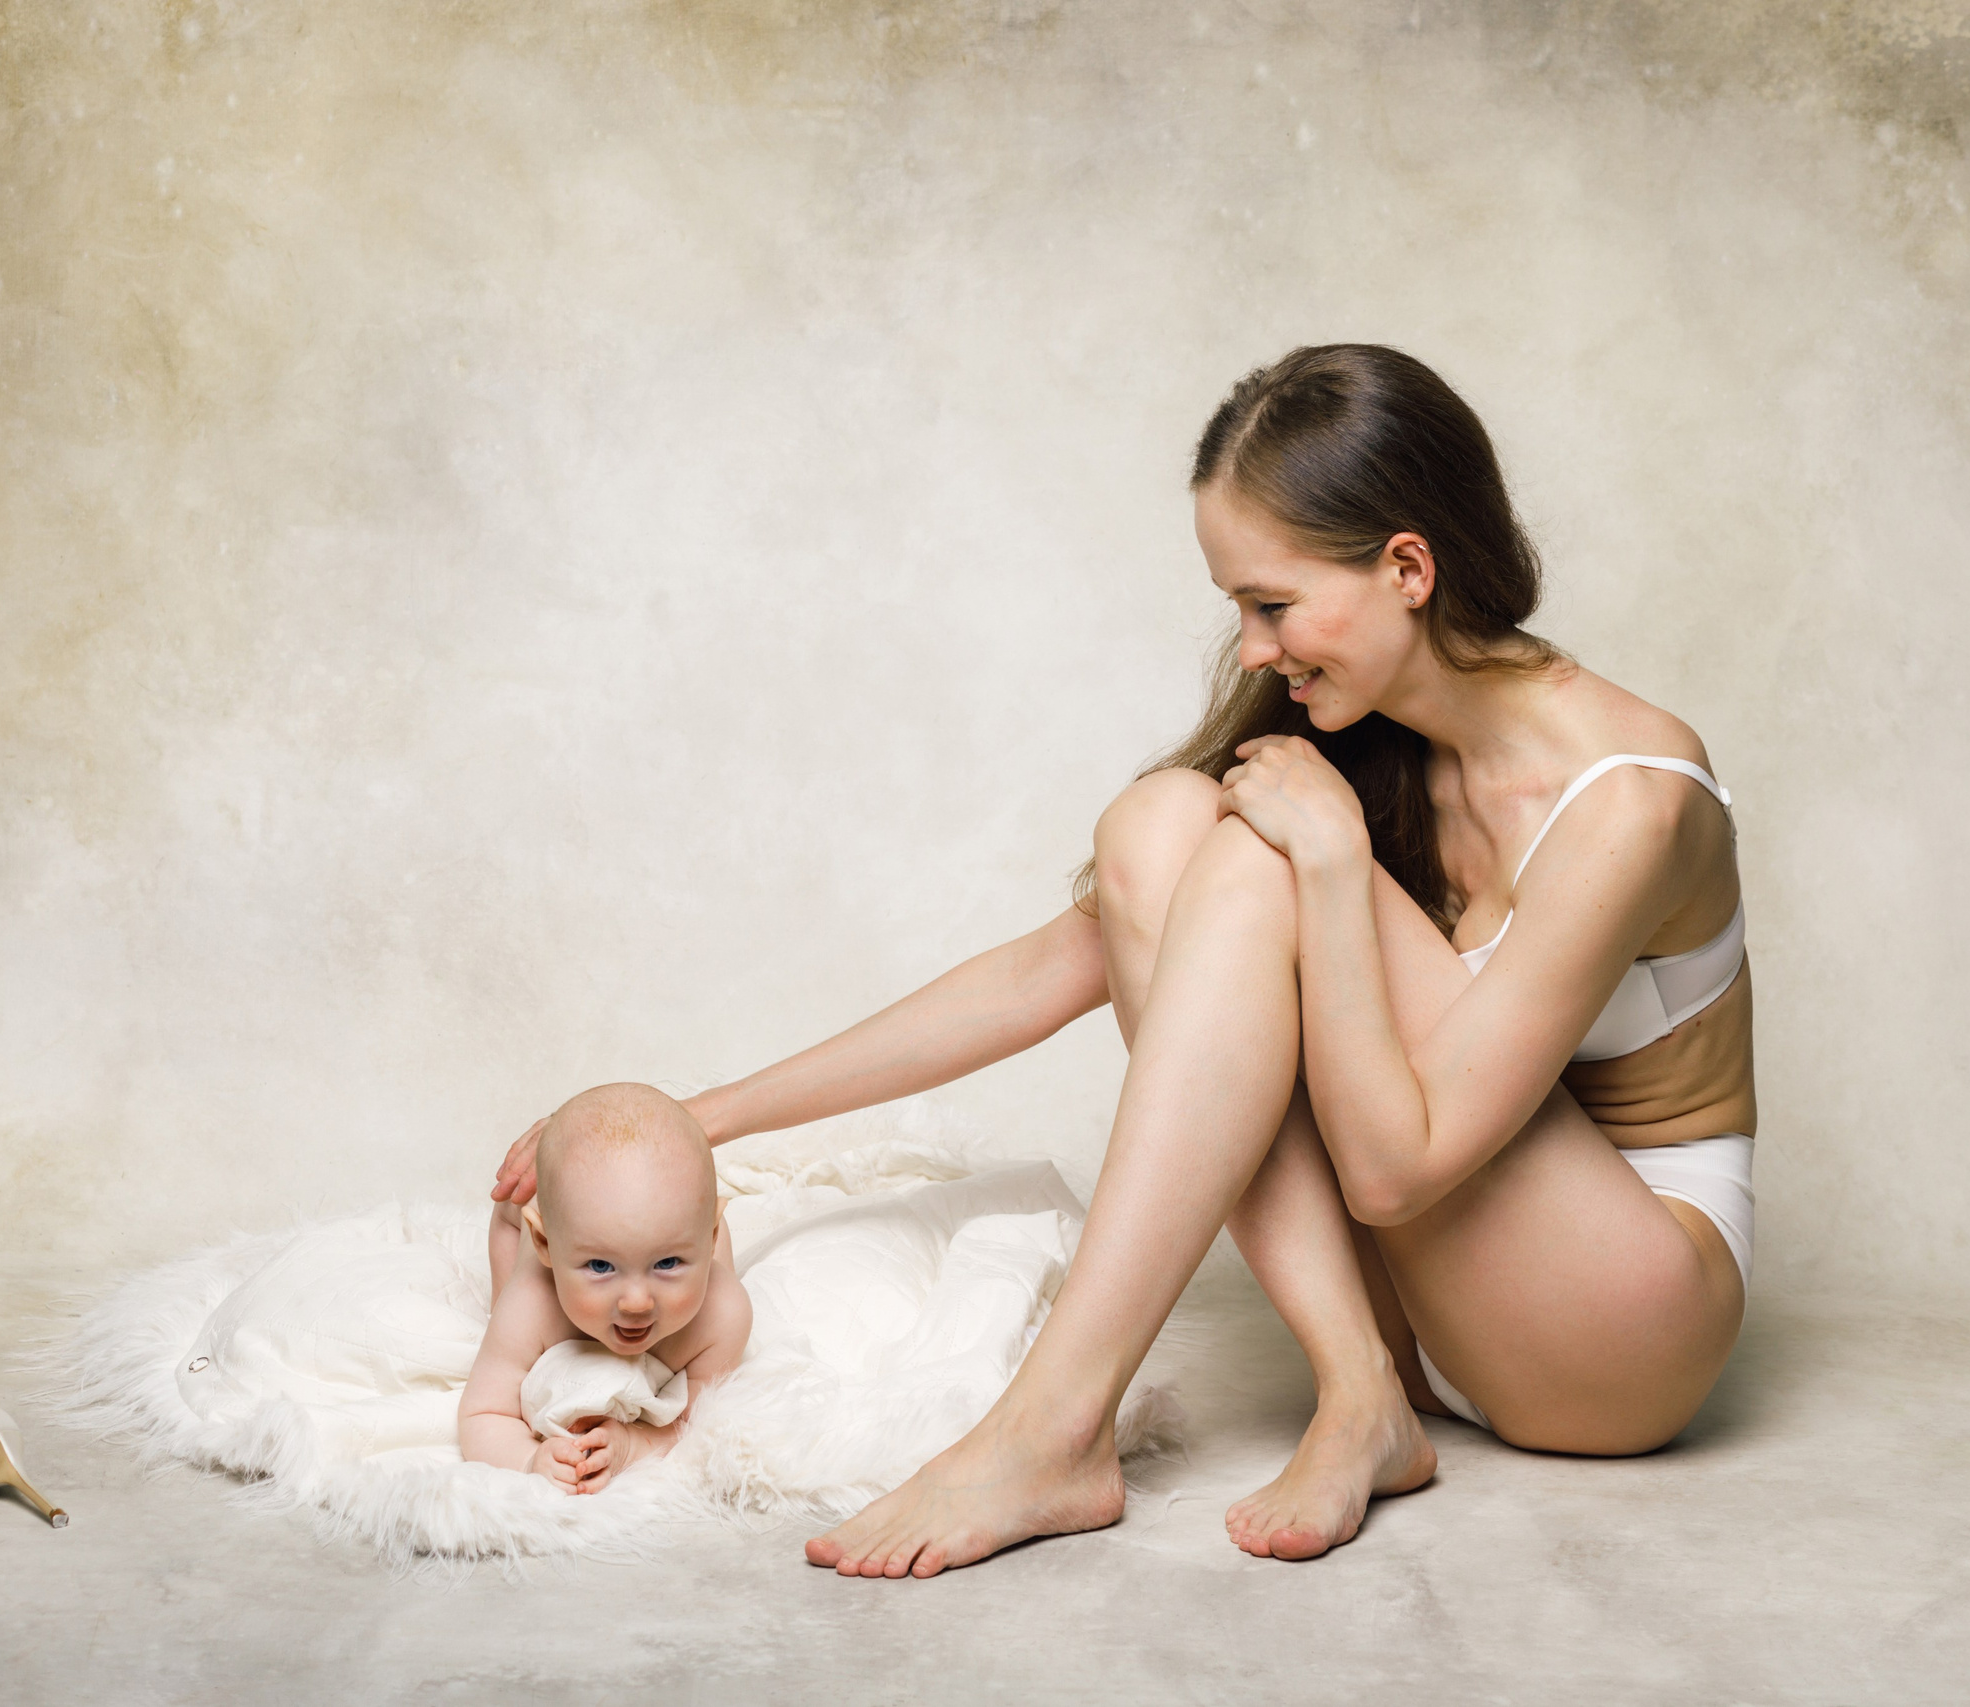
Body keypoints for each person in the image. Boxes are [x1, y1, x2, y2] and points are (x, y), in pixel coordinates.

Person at [494, 344, 1755, 1573]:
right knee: (1160, 825)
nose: (1252, 648)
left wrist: (1329, 862)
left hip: (1610, 1339)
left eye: (1273, 605)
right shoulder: (1365, 741)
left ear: (1407, 568)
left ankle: (1050, 1428)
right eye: (1237, 609)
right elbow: (1045, 972)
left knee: (1250, 851)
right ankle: (1357, 1390)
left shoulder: (1628, 802)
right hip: (1427, 1317)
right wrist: (704, 1116)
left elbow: (1391, 1172)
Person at [461, 1083, 752, 1493]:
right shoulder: (531, 1305)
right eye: (600, 1266)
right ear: (544, 1243)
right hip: (524, 1211)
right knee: (511, 1218)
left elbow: (698, 1423)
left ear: (710, 1236)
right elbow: (483, 1414)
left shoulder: (722, 1313)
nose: (636, 1303)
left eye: (667, 1263)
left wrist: (635, 1444)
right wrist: (526, 1460)